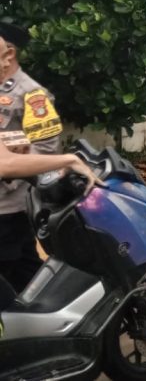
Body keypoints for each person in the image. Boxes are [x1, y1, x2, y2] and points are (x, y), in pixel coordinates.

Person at [0, 20, 69, 291]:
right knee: (23, 270)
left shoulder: (31, 94)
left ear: (10, 52)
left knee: (11, 268)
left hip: (9, 206)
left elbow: (46, 149)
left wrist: (10, 173)